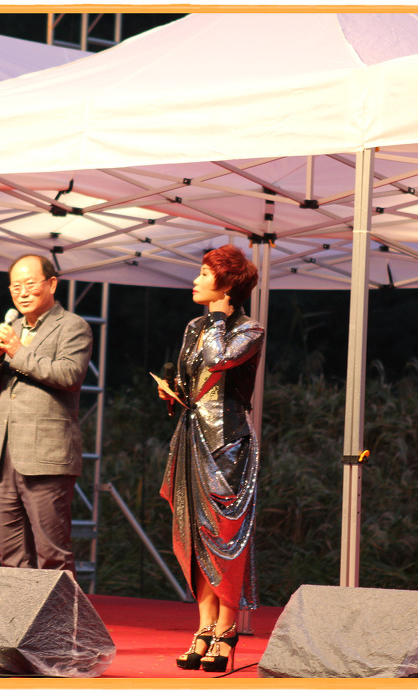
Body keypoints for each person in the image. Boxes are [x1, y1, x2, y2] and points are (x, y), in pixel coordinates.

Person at [155, 244, 265, 673]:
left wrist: (218, 318)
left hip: (227, 445)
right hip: (190, 437)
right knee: (194, 535)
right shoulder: (193, 327)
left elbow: (220, 360)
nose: (196, 280)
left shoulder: (249, 330)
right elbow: (191, 379)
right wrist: (172, 393)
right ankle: (203, 627)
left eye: (204, 274)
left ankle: (226, 627)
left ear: (226, 284)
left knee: (225, 537)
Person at [0, 254, 93, 574]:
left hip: (46, 455)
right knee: (11, 553)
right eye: (16, 287)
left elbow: (69, 375)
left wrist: (16, 350)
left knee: (52, 553)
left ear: (51, 284)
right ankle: (17, 609)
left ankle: (60, 610)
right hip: (6, 455)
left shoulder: (72, 326)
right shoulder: (12, 328)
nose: (23, 292)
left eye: (30, 284)